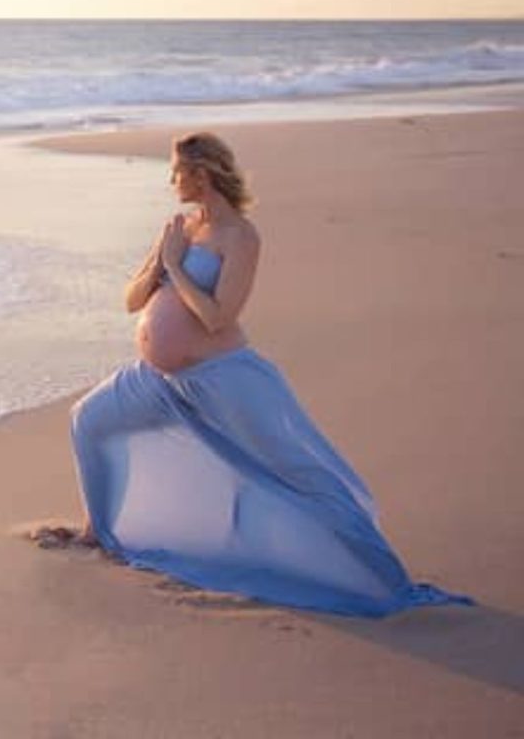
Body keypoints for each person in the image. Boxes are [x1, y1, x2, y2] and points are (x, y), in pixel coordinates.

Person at [62, 131, 472, 617]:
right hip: (157, 380)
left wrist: (176, 264)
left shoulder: (241, 237)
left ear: (202, 173)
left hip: (221, 379)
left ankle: (383, 575)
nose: (171, 181)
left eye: (176, 171)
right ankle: (98, 531)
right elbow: (132, 301)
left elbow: (218, 316)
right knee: (88, 420)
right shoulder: (181, 227)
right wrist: (159, 259)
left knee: (296, 471)